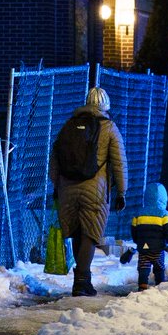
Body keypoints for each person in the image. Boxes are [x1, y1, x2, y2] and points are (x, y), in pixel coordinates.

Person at [50, 86, 127, 297]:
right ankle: (81, 281)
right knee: (91, 234)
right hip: (96, 190)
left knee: (77, 232)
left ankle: (83, 280)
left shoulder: (68, 125)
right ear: (105, 106)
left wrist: (56, 185)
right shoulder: (109, 128)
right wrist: (122, 191)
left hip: (67, 188)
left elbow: (54, 158)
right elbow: (119, 162)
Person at [127, 181, 168, 290]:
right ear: (164, 198)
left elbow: (134, 230)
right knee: (159, 267)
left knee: (143, 267)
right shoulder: (164, 214)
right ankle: (159, 284)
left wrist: (138, 241)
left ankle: (142, 285)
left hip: (143, 249)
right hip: (158, 249)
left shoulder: (138, 213)